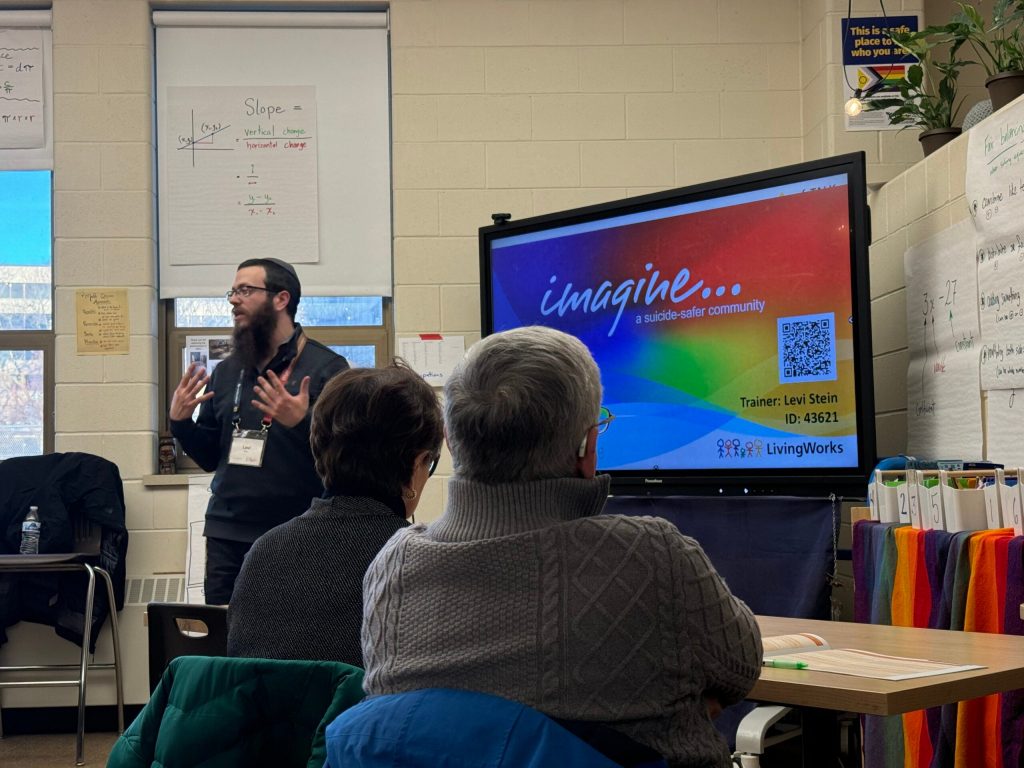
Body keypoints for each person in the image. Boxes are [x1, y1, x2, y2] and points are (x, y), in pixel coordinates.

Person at [361, 326, 762, 768]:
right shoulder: (654, 556)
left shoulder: (392, 565)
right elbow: (740, 670)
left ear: (451, 445)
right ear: (588, 448)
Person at [227, 362, 442, 666]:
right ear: (416, 463)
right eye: (429, 465)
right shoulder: (419, 562)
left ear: (318, 448)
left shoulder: (263, 552)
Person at [169, 258, 349, 604]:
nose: (234, 300)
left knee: (291, 643)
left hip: (298, 533)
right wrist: (180, 423)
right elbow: (208, 457)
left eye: (246, 290)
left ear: (281, 299)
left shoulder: (327, 369)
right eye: (233, 292)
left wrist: (303, 422)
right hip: (228, 531)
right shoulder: (228, 371)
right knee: (228, 644)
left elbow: (346, 460)